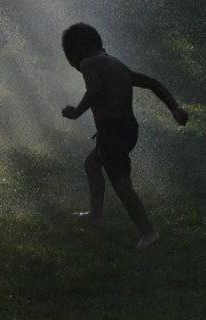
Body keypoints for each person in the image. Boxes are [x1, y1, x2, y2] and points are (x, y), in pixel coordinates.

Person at [60, 22, 188, 250]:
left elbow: (95, 90)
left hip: (112, 133)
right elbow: (152, 83)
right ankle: (95, 215)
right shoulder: (115, 63)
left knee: (122, 185)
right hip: (128, 129)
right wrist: (174, 107)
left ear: (74, 54)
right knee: (92, 164)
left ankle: (149, 233)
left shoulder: (88, 63)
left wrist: (76, 112)